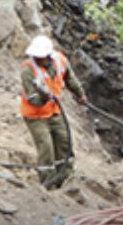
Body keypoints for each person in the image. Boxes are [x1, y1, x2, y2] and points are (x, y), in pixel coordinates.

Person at [19, 34, 87, 190]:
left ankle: (65, 178)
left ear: (48, 56)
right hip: (35, 115)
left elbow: (70, 78)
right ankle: (47, 183)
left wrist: (80, 94)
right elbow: (32, 99)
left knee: (64, 143)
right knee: (46, 148)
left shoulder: (59, 60)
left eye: (39, 56)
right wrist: (44, 97)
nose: (36, 58)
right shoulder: (28, 70)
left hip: (54, 111)